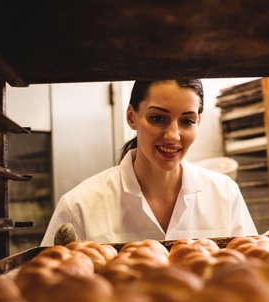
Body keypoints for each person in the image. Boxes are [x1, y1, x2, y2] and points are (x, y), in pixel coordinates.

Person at [41, 79, 257, 245]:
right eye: (158, 118)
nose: (173, 135)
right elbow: (45, 287)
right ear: (131, 117)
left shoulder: (225, 195)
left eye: (187, 121)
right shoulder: (79, 207)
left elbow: (251, 273)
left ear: (198, 122)